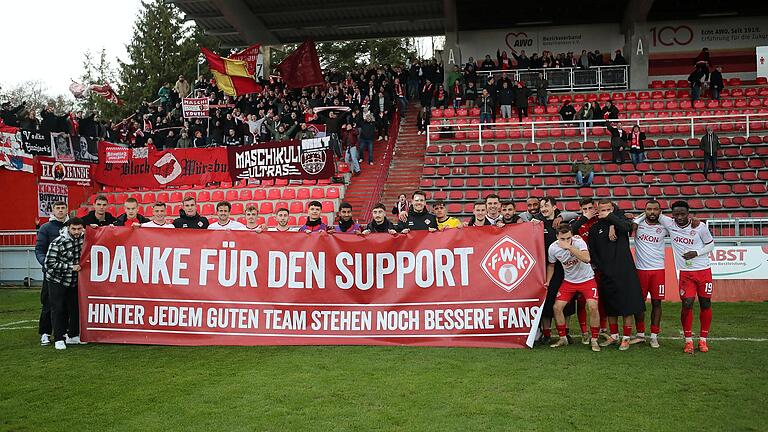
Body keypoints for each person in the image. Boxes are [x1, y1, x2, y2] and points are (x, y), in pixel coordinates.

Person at [657, 201, 715, 354]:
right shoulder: (670, 224)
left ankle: (703, 340)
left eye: (683, 214)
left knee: (705, 303)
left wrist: (696, 253)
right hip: (685, 273)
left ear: (689, 213)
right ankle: (688, 341)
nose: (680, 217)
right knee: (687, 303)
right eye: (676, 214)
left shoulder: (699, 227)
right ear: (672, 215)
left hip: (703, 271)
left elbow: (710, 245)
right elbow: (652, 212)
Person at [588, 199, 644, 350]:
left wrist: (612, 220)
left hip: (625, 270)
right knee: (610, 305)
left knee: (627, 306)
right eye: (602, 210)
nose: (605, 212)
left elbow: (627, 227)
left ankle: (626, 337)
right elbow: (592, 251)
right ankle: (614, 336)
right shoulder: (595, 228)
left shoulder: (621, 222)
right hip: (606, 272)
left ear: (612, 209)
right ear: (597, 210)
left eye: (608, 209)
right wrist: (602, 267)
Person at [546, 224, 601, 351]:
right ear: (557, 237)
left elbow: (587, 259)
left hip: (587, 279)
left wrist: (570, 247)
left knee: (593, 306)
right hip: (569, 281)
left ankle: (594, 339)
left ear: (572, 236)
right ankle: (562, 338)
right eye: (562, 239)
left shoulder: (578, 242)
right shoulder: (553, 248)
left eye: (568, 238)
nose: (565, 241)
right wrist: (547, 281)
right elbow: (551, 266)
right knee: (557, 307)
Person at [44, 217, 86, 350]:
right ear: (68, 228)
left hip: (73, 282)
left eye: (79, 229)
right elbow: (49, 264)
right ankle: (58, 338)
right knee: (58, 309)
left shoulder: (83, 239)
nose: (76, 231)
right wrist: (70, 267)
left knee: (74, 308)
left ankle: (73, 335)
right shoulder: (58, 242)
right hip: (57, 281)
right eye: (73, 229)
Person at [631, 200, 668, 348]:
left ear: (660, 211)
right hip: (640, 270)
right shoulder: (638, 225)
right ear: (644, 210)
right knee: (639, 303)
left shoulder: (664, 226)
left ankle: (654, 336)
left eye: (655, 209)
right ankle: (640, 334)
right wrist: (639, 217)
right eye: (649, 209)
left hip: (658, 270)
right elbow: (632, 226)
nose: (652, 212)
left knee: (656, 302)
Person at [34, 201, 68, 346]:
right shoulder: (46, 228)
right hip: (51, 273)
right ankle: (45, 332)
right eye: (57, 208)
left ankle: (63, 331)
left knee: (65, 303)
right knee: (48, 303)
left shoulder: (71, 226)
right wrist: (46, 264)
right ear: (53, 210)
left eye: (63, 208)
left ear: (67, 209)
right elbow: (39, 249)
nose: (60, 211)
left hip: (67, 272)